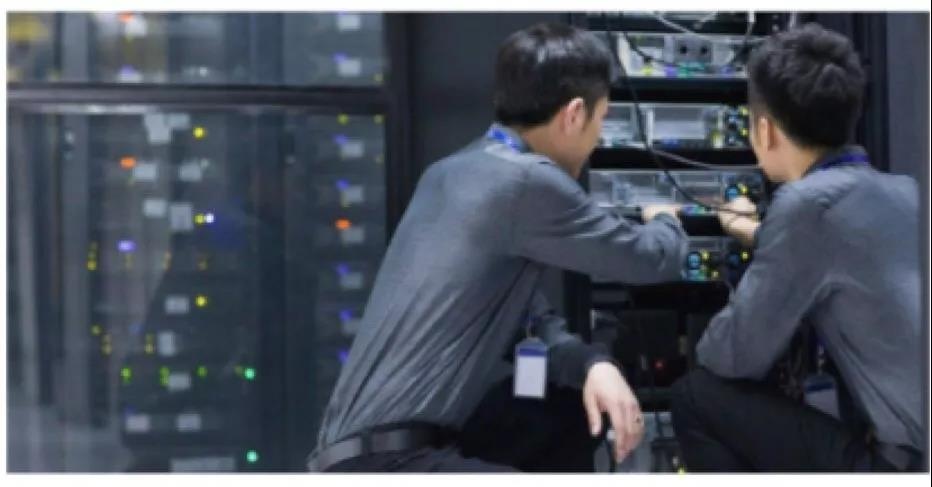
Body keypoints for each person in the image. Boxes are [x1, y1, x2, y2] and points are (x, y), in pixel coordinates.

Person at [308, 22, 689, 472]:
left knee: (561, 410)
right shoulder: (525, 181)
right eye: (601, 119)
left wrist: (592, 364)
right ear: (573, 115)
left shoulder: (453, 172)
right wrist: (665, 217)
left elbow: (525, 324)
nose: (598, 138)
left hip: (357, 453)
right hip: (393, 462)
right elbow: (652, 258)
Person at [670, 23, 923, 472]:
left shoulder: (805, 206)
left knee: (696, 395)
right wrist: (760, 234)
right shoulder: (909, 191)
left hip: (905, 466)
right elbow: (847, 253)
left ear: (764, 131)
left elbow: (733, 356)